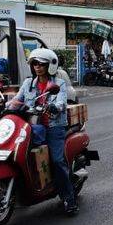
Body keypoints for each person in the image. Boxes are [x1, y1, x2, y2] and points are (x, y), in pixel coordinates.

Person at [9, 48, 78, 216]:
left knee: (57, 161)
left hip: (54, 127)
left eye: (41, 64)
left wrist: (53, 106)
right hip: (32, 126)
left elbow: (61, 102)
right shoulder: (27, 83)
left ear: (50, 66)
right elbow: (17, 100)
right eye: (34, 64)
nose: (37, 67)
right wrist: (6, 105)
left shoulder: (58, 84)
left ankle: (69, 198)